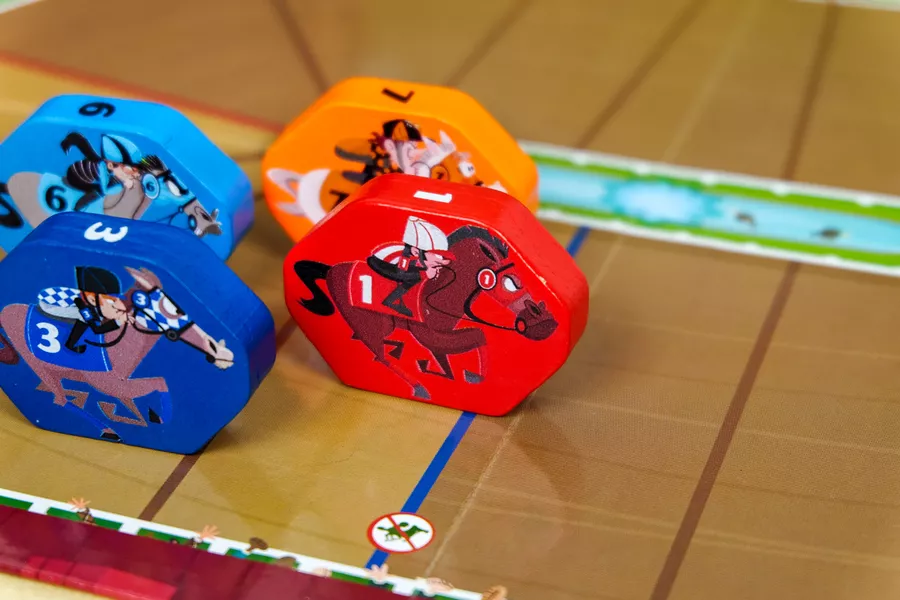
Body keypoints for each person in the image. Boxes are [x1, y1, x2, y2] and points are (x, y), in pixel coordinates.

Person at [367, 216, 454, 317]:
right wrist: (424, 273)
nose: (439, 261)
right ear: (416, 252)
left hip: (398, 266)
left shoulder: (416, 255)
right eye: (436, 257)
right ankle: (389, 302)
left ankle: (391, 300)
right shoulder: (404, 255)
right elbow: (399, 275)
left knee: (416, 274)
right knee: (414, 277)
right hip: (379, 263)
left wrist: (432, 267)